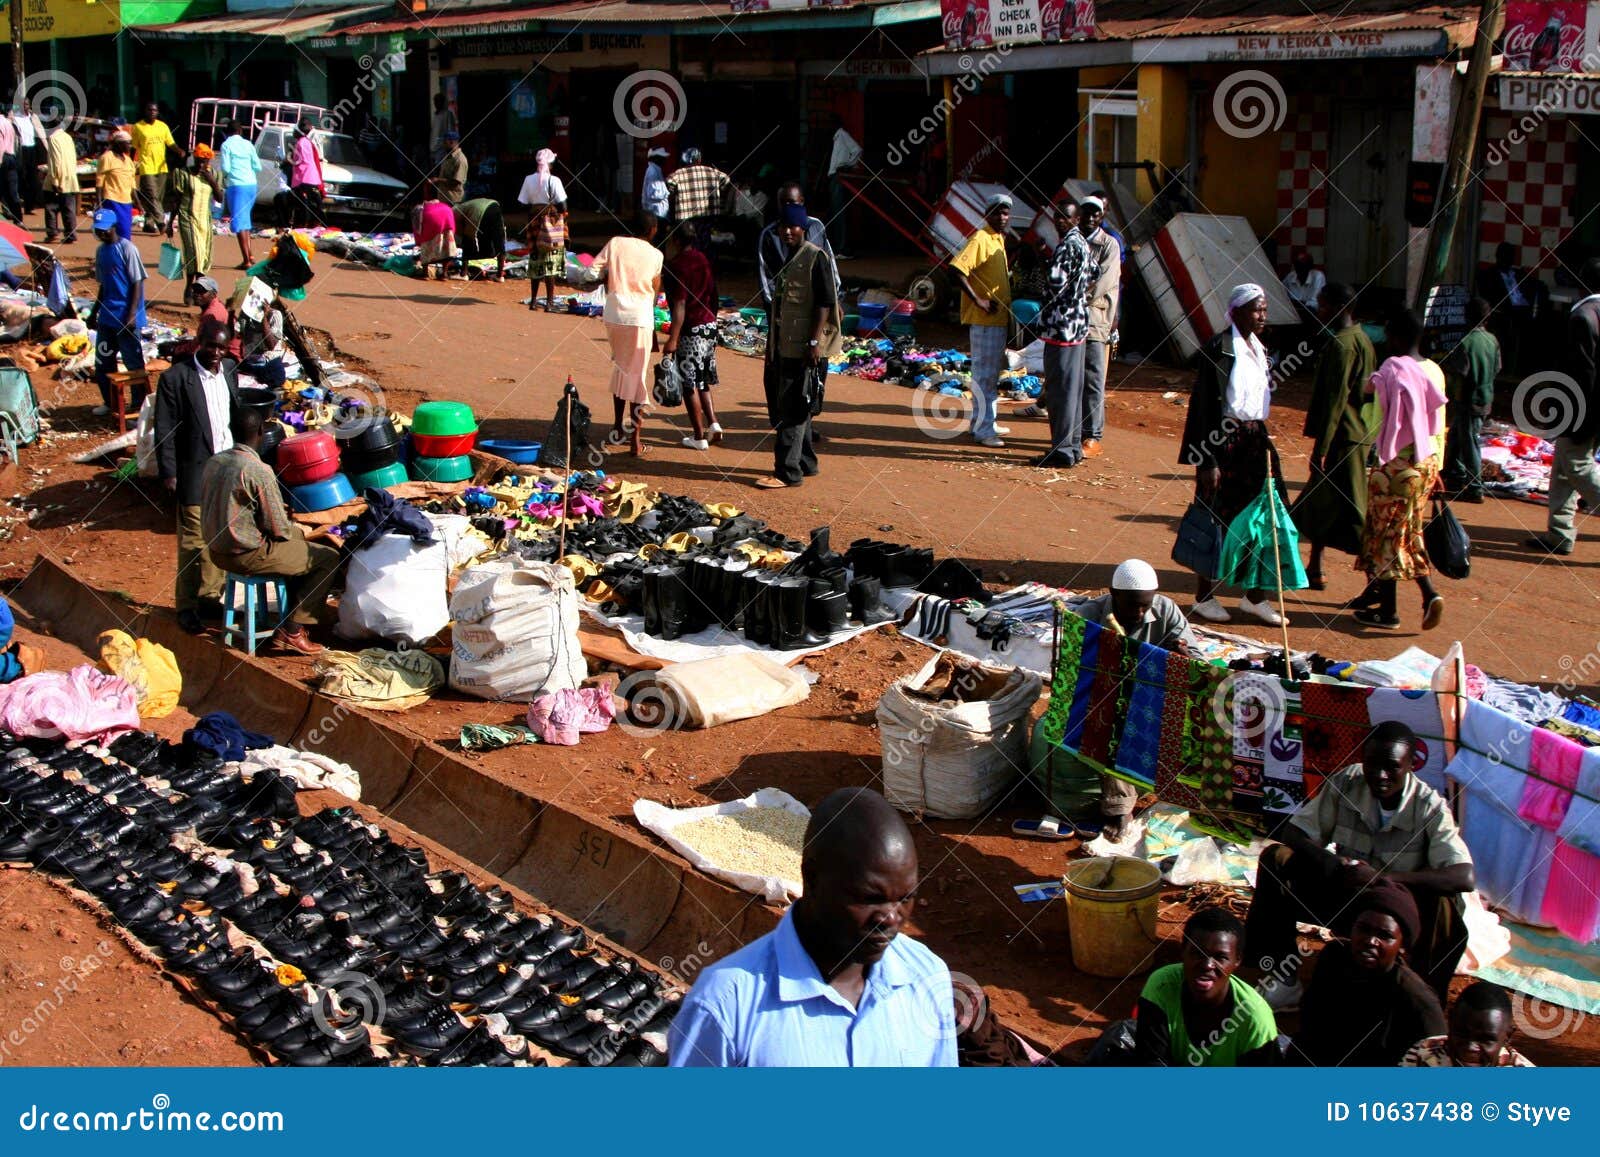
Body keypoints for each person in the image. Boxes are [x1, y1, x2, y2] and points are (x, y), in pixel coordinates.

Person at [669, 786, 956, 1067]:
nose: (891, 919)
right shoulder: (724, 1006)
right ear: (812, 878)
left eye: (905, 898)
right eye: (870, 899)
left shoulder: (927, 979)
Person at [1247, 720, 1474, 1008]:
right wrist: (1332, 863)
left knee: (1446, 904)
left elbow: (1463, 875)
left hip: (1395, 911)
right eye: (1372, 764)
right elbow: (1294, 832)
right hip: (1345, 898)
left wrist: (1381, 878)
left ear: (1410, 765)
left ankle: (1421, 1000)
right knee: (1276, 859)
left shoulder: (1429, 806)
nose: (1380, 775)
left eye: (1391, 767)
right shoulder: (1347, 782)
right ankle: (1284, 978)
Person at [1069, 559, 1198, 839]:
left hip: (1157, 695)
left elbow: (1198, 664)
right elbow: (1071, 670)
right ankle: (1119, 807)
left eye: (1145, 605)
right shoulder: (1089, 615)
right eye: (1132, 605)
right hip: (1106, 698)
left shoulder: (1165, 609)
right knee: (1117, 721)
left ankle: (1195, 795)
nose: (1140, 613)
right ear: (1113, 595)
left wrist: (1183, 658)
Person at [1180, 283, 1285, 625]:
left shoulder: (1258, 347)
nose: (1262, 315)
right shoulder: (1221, 349)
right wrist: (1206, 461)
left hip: (1252, 441)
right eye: (1256, 308)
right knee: (1216, 517)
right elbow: (1203, 407)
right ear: (1237, 311)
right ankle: (1204, 596)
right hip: (1221, 440)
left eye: (1264, 309)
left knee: (1260, 517)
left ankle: (1254, 597)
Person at [201, 406, 341, 657]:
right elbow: (278, 529)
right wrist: (292, 524)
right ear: (261, 431)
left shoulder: (215, 461)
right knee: (326, 558)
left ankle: (289, 615)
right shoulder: (257, 469)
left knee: (298, 543)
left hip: (216, 551)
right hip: (246, 553)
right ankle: (293, 631)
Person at [1354, 310, 1447, 630]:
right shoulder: (1434, 370)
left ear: (1395, 337)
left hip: (1396, 466)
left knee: (1383, 534)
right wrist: (1438, 468)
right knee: (1408, 532)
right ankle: (1428, 594)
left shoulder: (1391, 371)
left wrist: (1365, 406)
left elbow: (1378, 423)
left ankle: (1389, 610)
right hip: (1427, 463)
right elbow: (1439, 424)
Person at [1288, 880, 1446, 1066]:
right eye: (1363, 929)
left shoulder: (1416, 1000)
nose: (1370, 941)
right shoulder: (1333, 958)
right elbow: (1310, 1025)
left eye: (1384, 936)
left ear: (1402, 946)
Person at [1289, 282, 1378, 588]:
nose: (1319, 310)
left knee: (1353, 510)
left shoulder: (1343, 344)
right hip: (1356, 435)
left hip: (1343, 439)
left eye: (1324, 305)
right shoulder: (1362, 339)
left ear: (1340, 308)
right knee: (1320, 504)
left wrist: (1321, 447)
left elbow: (1336, 399)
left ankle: (1377, 577)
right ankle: (1315, 566)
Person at [155, 321, 238, 636]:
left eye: (222, 347)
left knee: (218, 536)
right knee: (193, 543)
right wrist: (169, 472)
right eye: (211, 346)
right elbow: (163, 429)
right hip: (192, 471)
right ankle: (186, 606)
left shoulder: (229, 370)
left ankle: (209, 597)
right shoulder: (176, 379)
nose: (216, 353)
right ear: (197, 343)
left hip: (225, 470)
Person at [757, 203, 839, 489]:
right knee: (798, 405)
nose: (787, 232)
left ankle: (786, 472)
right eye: (783, 227)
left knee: (791, 408)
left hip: (804, 347)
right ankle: (806, 462)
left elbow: (825, 302)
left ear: (803, 228)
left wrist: (814, 342)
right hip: (784, 346)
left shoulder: (816, 258)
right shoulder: (790, 257)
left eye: (793, 227)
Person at [1132, 908, 1278, 1066]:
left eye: (1220, 957)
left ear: (1237, 960)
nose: (1207, 965)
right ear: (1183, 952)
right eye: (1197, 953)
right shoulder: (1162, 985)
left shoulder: (1255, 1020)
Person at [1527, 256, 1600, 556]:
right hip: (1589, 408)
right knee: (1561, 468)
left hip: (1584, 408)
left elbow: (1584, 375)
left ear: (1581, 284)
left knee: (1576, 465)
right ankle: (1559, 533)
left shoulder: (1582, 317)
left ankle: (1559, 533)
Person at [587, 215, 663, 456]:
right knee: (637, 376)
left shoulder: (616, 243)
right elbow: (654, 290)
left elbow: (591, 272)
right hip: (639, 317)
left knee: (621, 369)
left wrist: (610, 279)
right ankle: (635, 440)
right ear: (651, 230)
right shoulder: (656, 255)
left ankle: (618, 427)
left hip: (614, 315)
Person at [1035, 200, 1094, 468]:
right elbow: (1095, 271)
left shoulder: (1068, 245)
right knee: (1072, 388)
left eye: (1065, 217)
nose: (1060, 220)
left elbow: (1055, 284)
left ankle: (1062, 450)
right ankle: (1072, 447)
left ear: (1075, 218)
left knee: (1060, 390)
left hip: (1062, 327)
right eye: (1057, 216)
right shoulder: (1082, 242)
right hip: (1078, 326)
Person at [950, 194, 1012, 449]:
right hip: (986, 319)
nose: (1002, 217)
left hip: (997, 320)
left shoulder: (998, 240)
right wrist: (978, 300)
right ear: (988, 215)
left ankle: (981, 422)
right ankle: (984, 431)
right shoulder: (980, 239)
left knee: (988, 375)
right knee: (985, 377)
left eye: (1006, 212)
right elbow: (956, 269)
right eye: (997, 212)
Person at [662, 226, 722, 451]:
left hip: (692, 329)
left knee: (689, 384)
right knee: (702, 379)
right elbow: (713, 292)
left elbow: (679, 305)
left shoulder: (676, 266)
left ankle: (699, 435)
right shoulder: (702, 258)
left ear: (676, 240)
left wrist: (672, 339)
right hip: (709, 325)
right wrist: (712, 319)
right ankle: (713, 423)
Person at [1439, 298, 1500, 504]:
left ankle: (1474, 488)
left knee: (1470, 441)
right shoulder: (1492, 340)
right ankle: (1454, 475)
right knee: (1457, 435)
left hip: (1467, 400)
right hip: (1485, 398)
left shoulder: (1465, 342)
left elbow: (1459, 372)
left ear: (1467, 317)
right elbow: (1497, 367)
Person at [90, 207, 146, 419]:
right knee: (103, 361)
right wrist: (94, 312)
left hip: (126, 316)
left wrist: (132, 314)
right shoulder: (100, 251)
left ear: (114, 227)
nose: (101, 234)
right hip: (107, 316)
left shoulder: (127, 249)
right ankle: (110, 402)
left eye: (104, 229)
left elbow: (137, 282)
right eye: (98, 230)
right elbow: (103, 285)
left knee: (132, 362)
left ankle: (139, 404)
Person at [1401, 982, 1536, 1067]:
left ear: (1507, 1036)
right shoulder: (1424, 1053)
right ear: (1450, 1023)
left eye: (1485, 1039)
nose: (1470, 1047)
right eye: (1461, 1034)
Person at [1080, 195, 1120, 458]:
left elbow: (1104, 282)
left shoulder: (1109, 244)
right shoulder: (1074, 241)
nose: (1092, 217)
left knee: (1094, 379)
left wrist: (1077, 297)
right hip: (1071, 322)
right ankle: (1073, 431)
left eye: (1096, 213)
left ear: (1102, 216)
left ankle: (1093, 435)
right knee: (1073, 379)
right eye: (1087, 213)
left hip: (1095, 320)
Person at [756, 180, 837, 311]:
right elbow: (766, 278)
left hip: (815, 304)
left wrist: (834, 298)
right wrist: (776, 309)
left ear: (802, 201)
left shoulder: (816, 227)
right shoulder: (769, 234)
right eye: (783, 203)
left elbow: (830, 267)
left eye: (791, 202)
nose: (787, 207)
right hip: (784, 307)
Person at [170, 146, 222, 302]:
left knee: (204, 256)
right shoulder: (183, 173)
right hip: (187, 217)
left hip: (204, 220)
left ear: (208, 161)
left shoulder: (213, 174)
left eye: (204, 162)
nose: (200, 165)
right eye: (198, 161)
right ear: (194, 158)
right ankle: (191, 287)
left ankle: (196, 289)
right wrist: (170, 222)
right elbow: (176, 200)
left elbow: (220, 198)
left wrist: (212, 181)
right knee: (195, 254)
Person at [666, 147, 730, 258]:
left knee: (689, 242)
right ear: (699, 159)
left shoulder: (677, 174)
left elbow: (669, 184)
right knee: (706, 240)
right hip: (708, 215)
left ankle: (692, 262)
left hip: (687, 217)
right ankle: (705, 262)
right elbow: (726, 179)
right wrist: (719, 194)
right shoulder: (712, 171)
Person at [218, 120, 261, 269]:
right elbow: (257, 166)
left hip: (236, 186)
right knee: (245, 221)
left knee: (239, 222)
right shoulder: (249, 144)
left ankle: (247, 260)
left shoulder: (226, 145)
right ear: (241, 131)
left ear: (226, 132)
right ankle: (250, 255)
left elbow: (226, 168)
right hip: (251, 185)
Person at [129, 103, 175, 235]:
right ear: (145, 111)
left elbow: (170, 143)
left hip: (161, 166)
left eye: (155, 110)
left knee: (157, 198)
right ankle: (161, 223)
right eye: (150, 110)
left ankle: (148, 223)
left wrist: (180, 151)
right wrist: (130, 162)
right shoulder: (138, 127)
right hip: (146, 166)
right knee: (152, 196)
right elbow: (133, 147)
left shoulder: (162, 126)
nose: (152, 112)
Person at [825, 118, 863, 259]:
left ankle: (843, 249)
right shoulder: (836, 138)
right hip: (835, 177)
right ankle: (839, 247)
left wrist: (847, 165)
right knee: (836, 214)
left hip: (839, 177)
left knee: (839, 214)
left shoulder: (841, 134)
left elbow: (857, 150)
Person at [40, 119, 79, 245]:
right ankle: (71, 234)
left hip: (57, 178)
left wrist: (55, 180)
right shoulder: (68, 137)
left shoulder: (53, 139)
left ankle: (52, 234)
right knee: (69, 208)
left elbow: (56, 161)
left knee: (51, 207)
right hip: (70, 177)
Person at [95, 130, 137, 240]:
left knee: (125, 232)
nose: (130, 146)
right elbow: (100, 181)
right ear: (119, 144)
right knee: (114, 232)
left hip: (126, 201)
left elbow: (132, 182)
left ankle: (121, 254)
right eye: (127, 143)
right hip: (112, 199)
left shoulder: (128, 160)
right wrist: (99, 203)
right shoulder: (107, 158)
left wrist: (137, 201)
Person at [411, 183, 457, 281]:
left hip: (430, 223)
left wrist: (419, 241)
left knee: (426, 247)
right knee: (447, 249)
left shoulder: (419, 209)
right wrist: (451, 233)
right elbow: (452, 226)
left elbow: (417, 229)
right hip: (446, 225)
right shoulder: (446, 206)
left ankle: (425, 274)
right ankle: (444, 274)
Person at [454, 197, 506, 281]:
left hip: (478, 211)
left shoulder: (454, 211)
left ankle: (463, 274)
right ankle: (500, 275)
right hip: (495, 206)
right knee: (498, 240)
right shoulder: (463, 206)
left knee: (467, 239)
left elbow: (460, 231)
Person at [287, 118, 324, 229]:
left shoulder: (301, 143)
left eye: (294, 130)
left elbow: (300, 161)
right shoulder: (307, 142)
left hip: (304, 178)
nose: (293, 133)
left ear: (299, 131)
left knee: (303, 206)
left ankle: (303, 226)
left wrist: (288, 160)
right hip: (311, 178)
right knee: (312, 206)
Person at [12, 101, 44, 214]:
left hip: (32, 149)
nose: (26, 107)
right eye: (23, 105)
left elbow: (41, 132)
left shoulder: (33, 117)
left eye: (27, 104)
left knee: (33, 178)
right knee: (23, 177)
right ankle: (25, 204)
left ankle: (30, 205)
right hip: (21, 150)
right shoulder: (15, 118)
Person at [1281, 249, 1325, 316]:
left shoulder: (1318, 276)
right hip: (1292, 314)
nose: (1299, 267)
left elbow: (1315, 304)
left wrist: (1295, 303)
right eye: (1296, 264)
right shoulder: (1290, 276)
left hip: (1312, 315)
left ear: (1310, 266)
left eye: (1302, 264)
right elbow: (1280, 294)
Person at [434, 130, 467, 204]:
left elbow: (456, 182)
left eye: (445, 142)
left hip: (453, 201)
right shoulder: (448, 156)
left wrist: (438, 180)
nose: (443, 144)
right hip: (444, 199)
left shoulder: (460, 159)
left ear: (451, 142)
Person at [641, 146, 670, 223]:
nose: (664, 159)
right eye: (662, 157)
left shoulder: (656, 170)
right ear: (656, 158)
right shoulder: (652, 172)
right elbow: (653, 194)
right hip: (656, 214)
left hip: (658, 213)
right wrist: (667, 192)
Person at [0, 107, 18, 221]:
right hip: (12, 156)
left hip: (3, 157)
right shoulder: (8, 123)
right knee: (11, 188)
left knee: (2, 187)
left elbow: (0, 144)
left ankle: (7, 211)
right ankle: (17, 217)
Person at [430, 93, 457, 162]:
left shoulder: (447, 114)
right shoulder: (435, 115)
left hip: (442, 149)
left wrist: (449, 148)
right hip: (433, 149)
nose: (435, 103)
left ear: (442, 102)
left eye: (438, 101)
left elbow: (450, 132)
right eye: (435, 101)